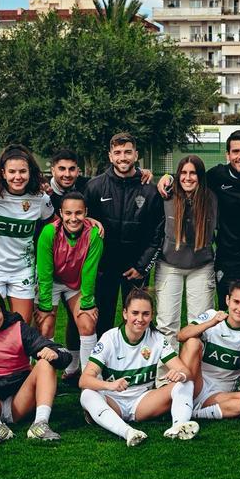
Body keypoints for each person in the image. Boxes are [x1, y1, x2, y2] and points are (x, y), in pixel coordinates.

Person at [158, 131, 240, 312]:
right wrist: (168, 177)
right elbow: (190, 179)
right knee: (228, 315)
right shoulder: (216, 176)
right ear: (228, 155)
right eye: (235, 151)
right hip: (229, 259)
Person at [79, 288, 199, 445]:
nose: (140, 319)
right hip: (113, 402)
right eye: (135, 313)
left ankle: (178, 426)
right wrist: (110, 385)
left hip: (142, 403)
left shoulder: (157, 338)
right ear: (125, 314)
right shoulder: (110, 338)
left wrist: (180, 375)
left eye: (145, 314)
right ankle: (128, 432)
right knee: (87, 394)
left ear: (151, 316)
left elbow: (185, 371)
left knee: (186, 382)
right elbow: (84, 380)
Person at [0, 289, 71, 445]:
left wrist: (55, 354)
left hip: (19, 401)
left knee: (45, 363)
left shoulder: (19, 328)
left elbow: (63, 353)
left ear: (4, 311)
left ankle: (40, 424)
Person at [85, 132, 165, 336]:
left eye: (128, 152)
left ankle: (137, 365)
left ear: (136, 155)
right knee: (102, 321)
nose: (123, 157)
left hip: (135, 268)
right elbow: (82, 222)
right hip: (104, 268)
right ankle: (102, 365)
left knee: (137, 320)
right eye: (118, 152)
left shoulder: (150, 190)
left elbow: (158, 233)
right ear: (110, 156)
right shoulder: (94, 187)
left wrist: (142, 267)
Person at [0, 145, 54, 324]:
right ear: (2, 173)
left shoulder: (40, 199)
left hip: (22, 269)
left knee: (21, 327)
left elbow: (55, 225)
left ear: (30, 172)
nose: (17, 177)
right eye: (12, 171)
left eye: (22, 171)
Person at [176, 281, 240, 431]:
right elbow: (181, 335)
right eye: (236, 302)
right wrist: (211, 323)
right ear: (227, 300)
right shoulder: (213, 315)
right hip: (197, 382)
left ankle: (197, 414)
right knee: (193, 342)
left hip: (222, 392)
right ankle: (183, 398)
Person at [35, 191, 103, 380]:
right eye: (68, 213)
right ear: (61, 213)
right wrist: (45, 306)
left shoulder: (95, 234)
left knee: (87, 323)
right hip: (52, 282)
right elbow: (44, 272)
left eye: (79, 213)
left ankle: (89, 379)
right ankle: (44, 378)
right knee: (45, 325)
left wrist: (88, 303)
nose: (73, 218)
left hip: (76, 284)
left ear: (86, 212)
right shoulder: (49, 232)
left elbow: (90, 271)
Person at [154, 155, 216, 348]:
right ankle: (166, 376)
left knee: (199, 325)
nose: (188, 178)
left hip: (201, 266)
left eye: (193, 173)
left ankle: (196, 375)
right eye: (183, 173)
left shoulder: (212, 198)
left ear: (200, 176)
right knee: (167, 324)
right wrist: (166, 177)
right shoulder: (167, 195)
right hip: (169, 265)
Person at [44, 148, 91, 353]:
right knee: (44, 322)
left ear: (78, 171)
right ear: (52, 169)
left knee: (82, 319)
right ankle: (41, 372)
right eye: (61, 168)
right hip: (46, 270)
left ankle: (76, 369)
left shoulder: (86, 187)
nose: (67, 173)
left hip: (75, 272)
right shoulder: (40, 188)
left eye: (72, 169)